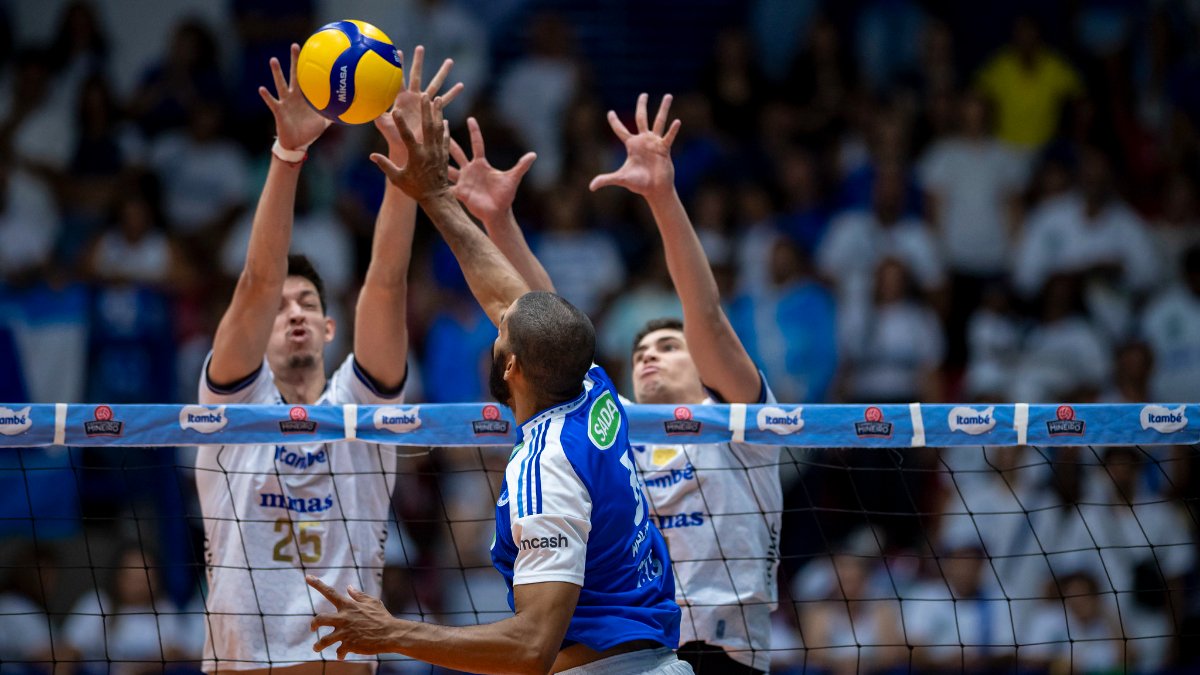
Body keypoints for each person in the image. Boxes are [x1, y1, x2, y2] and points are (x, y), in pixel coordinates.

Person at [306, 93, 689, 675]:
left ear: (510, 367)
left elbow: (531, 646)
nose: (494, 323)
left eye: (500, 333)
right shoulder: (590, 388)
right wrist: (434, 194)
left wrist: (391, 632)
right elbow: (511, 299)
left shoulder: (547, 467)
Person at [450, 94, 780, 673]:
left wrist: (662, 196)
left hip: (726, 658)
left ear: (703, 367)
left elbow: (706, 316)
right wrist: (497, 220)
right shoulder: (610, 429)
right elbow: (543, 324)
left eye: (669, 347)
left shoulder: (740, 422)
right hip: (635, 654)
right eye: (641, 349)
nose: (650, 355)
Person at [194, 45, 461, 675]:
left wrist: (402, 168)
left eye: (307, 302)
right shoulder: (232, 403)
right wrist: (288, 154)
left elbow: (387, 283)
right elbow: (257, 282)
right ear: (257, 331)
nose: (291, 312)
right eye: (281, 306)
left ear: (328, 325)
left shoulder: (360, 408)